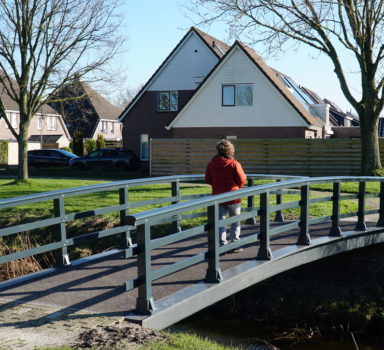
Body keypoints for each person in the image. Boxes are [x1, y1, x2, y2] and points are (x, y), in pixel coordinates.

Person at [205, 140, 247, 250]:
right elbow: (242, 179)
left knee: (220, 221)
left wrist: (217, 185)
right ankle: (235, 243)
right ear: (230, 151)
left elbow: (208, 179)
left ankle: (221, 244)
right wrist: (236, 186)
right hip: (233, 196)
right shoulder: (234, 164)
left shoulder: (211, 164)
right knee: (235, 220)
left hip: (217, 196)